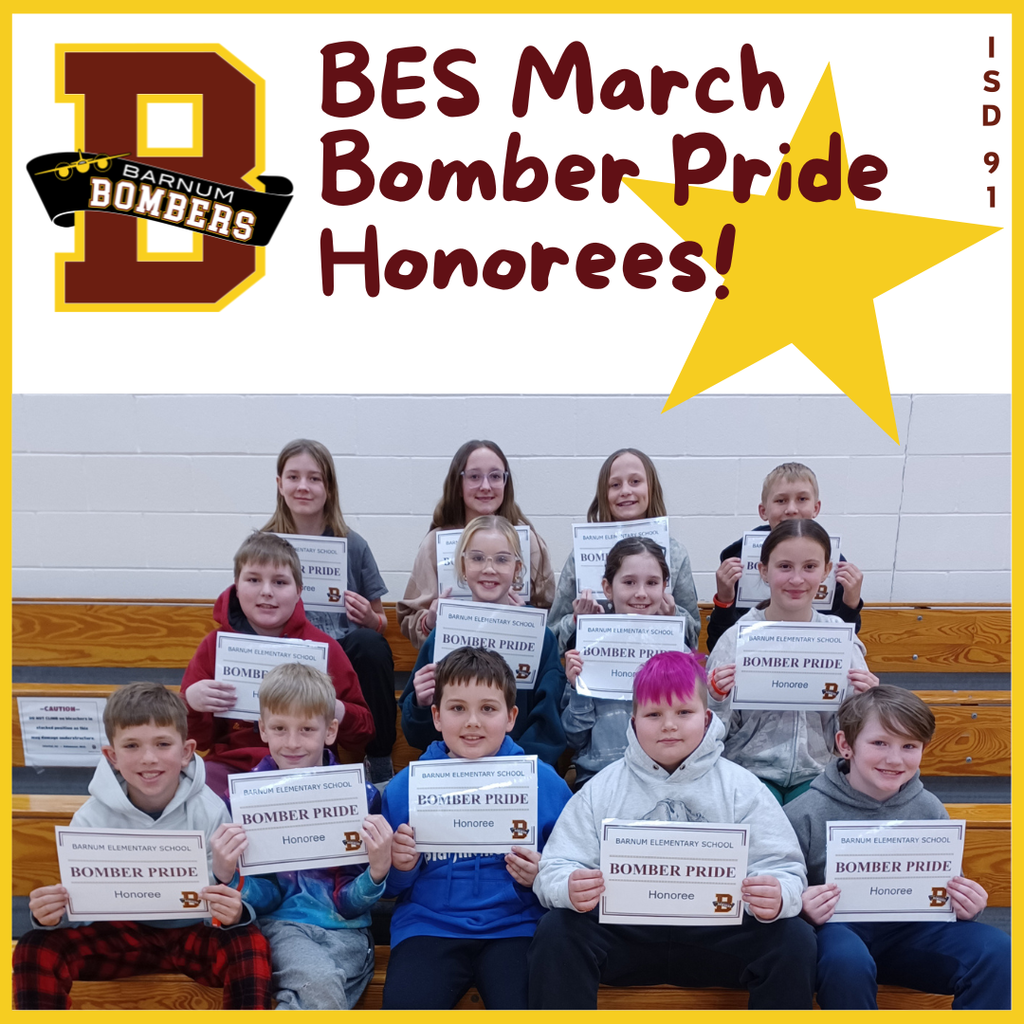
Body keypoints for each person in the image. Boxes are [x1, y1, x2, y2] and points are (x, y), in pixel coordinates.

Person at [528, 651, 816, 1009]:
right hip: (626, 939)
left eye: (683, 712)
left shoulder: (743, 788)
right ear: (632, 722)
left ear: (707, 717)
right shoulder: (601, 789)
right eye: (654, 714)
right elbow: (553, 869)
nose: (669, 725)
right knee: (557, 931)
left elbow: (785, 869)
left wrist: (777, 895)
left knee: (795, 939)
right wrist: (569, 887)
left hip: (716, 939)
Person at [14, 682, 271, 1010]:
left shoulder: (211, 810)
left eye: (163, 743)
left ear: (186, 752)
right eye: (132, 745)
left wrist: (231, 910)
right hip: (123, 935)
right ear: (112, 756)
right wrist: (52, 915)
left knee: (249, 944)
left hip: (194, 933)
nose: (149, 758)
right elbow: (81, 907)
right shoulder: (90, 819)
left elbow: (228, 897)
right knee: (36, 947)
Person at [785, 686, 1010, 1009]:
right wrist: (802, 909)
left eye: (909, 746)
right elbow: (784, 892)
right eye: (879, 743)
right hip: (839, 934)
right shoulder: (803, 812)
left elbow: (946, 889)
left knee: (999, 951)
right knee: (846, 959)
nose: (894, 759)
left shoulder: (930, 808)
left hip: (913, 934)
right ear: (845, 745)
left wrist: (967, 905)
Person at [381, 646, 572, 1009]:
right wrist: (401, 867)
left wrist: (541, 874)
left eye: (487, 708)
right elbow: (388, 888)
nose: (472, 721)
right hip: (427, 926)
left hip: (516, 927)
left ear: (511, 716)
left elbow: (569, 866)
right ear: (436, 716)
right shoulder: (406, 787)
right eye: (457, 708)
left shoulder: (544, 784)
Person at [210, 663, 393, 1010]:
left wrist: (377, 873)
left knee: (308, 996)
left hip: (349, 935)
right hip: (283, 929)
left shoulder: (359, 796)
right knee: (321, 982)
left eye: (307, 729)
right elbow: (265, 900)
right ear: (262, 729)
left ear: (330, 730)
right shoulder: (244, 800)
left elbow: (348, 903)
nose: (292, 743)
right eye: (279, 728)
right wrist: (229, 875)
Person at [180, 531, 373, 799]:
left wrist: (336, 710)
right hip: (233, 769)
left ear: (298, 592)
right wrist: (191, 702)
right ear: (236, 585)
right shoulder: (215, 647)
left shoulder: (323, 648)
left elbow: (363, 732)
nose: (267, 592)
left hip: (306, 767)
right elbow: (197, 740)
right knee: (198, 796)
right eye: (253, 580)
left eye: (280, 582)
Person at [705, 519, 879, 804]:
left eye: (809, 567)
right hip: (748, 771)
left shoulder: (839, 639)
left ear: (826, 571)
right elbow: (712, 733)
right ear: (763, 571)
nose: (797, 579)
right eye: (784, 566)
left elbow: (853, 736)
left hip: (820, 773)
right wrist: (716, 699)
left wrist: (865, 703)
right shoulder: (736, 639)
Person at [262, 438, 396, 783]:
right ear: (280, 484)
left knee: (370, 645)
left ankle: (379, 759)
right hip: (284, 650)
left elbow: (380, 622)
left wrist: (369, 618)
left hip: (341, 658)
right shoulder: (263, 545)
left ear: (329, 488)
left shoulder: (353, 544)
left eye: (314, 478)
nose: (303, 486)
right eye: (293, 477)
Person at [399, 515, 566, 766]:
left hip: (518, 771)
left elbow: (547, 724)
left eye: (501, 559)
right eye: (477, 558)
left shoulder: (540, 638)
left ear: (517, 569)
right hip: (451, 769)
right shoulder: (441, 635)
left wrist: (516, 766)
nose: (489, 569)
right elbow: (417, 735)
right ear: (463, 566)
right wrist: (421, 705)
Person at [397, 439, 554, 649]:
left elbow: (551, 612)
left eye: (496, 476)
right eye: (474, 476)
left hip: (515, 658)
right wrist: (429, 622)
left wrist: (527, 616)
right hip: (454, 663)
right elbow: (409, 618)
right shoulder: (434, 544)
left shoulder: (529, 542)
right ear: (458, 485)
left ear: (506, 483)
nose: (486, 486)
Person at [547, 448, 699, 655]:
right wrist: (576, 621)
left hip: (658, 677)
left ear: (651, 488)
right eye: (615, 485)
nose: (625, 491)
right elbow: (552, 634)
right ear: (604, 494)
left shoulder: (676, 554)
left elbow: (695, 636)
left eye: (635, 482)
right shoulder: (580, 555)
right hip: (599, 671)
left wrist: (673, 615)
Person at [562, 536, 684, 787]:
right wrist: (578, 689)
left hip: (666, 779)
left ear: (664, 587)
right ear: (607, 588)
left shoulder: (678, 652)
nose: (641, 593)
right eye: (629, 582)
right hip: (600, 778)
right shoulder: (586, 651)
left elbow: (690, 728)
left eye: (652, 583)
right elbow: (573, 737)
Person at [706, 462, 863, 653]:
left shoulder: (834, 563)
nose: (791, 509)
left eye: (802, 499)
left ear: (816, 507)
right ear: (763, 511)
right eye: (781, 501)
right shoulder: (737, 561)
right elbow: (720, 645)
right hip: (756, 658)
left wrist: (851, 603)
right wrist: (724, 600)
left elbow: (842, 647)